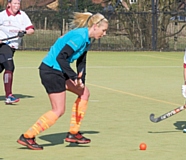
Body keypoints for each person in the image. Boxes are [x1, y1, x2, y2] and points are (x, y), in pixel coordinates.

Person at [17, 12, 109, 150]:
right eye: (104, 30)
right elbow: (61, 57)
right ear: (95, 26)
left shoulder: (88, 39)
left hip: (59, 70)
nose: (105, 33)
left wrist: (81, 79)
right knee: (58, 110)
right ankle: (28, 136)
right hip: (51, 70)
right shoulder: (79, 37)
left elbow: (82, 61)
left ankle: (73, 133)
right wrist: (73, 77)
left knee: (84, 93)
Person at [0, 0, 34, 104]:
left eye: (18, 3)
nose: (17, 6)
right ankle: (9, 96)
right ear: (9, 4)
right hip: (3, 45)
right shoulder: (2, 15)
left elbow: (31, 29)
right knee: (10, 66)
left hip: (13, 47)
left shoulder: (22, 15)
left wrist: (24, 32)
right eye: (14, 3)